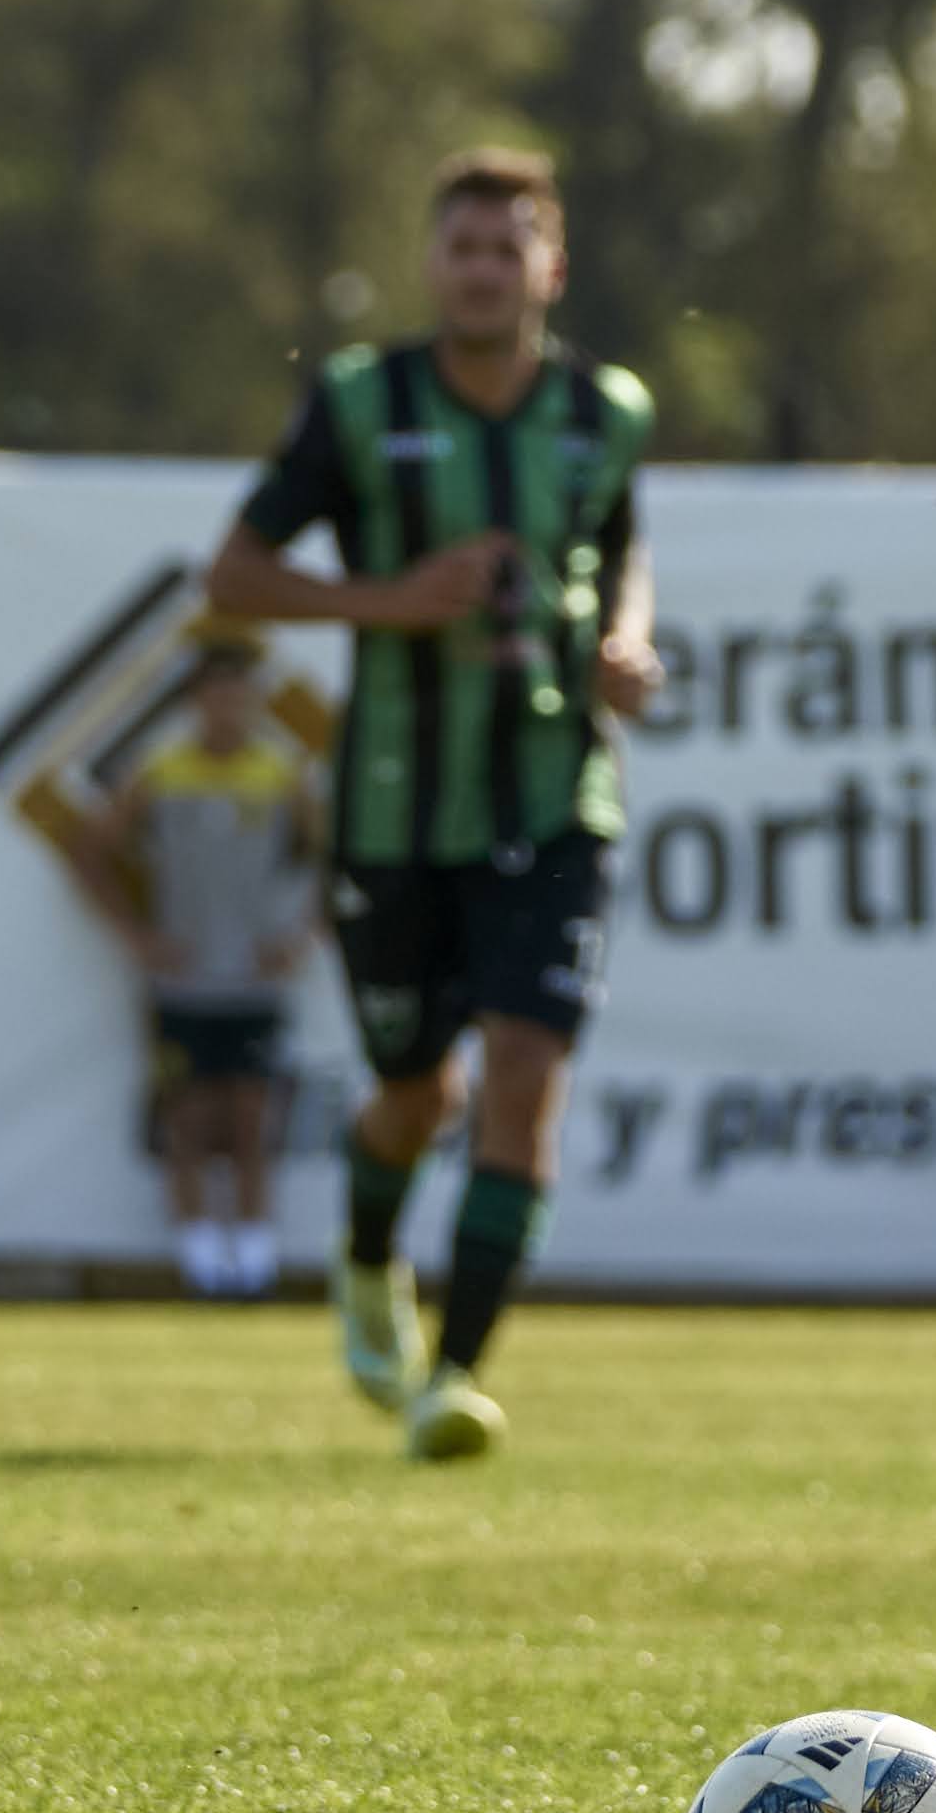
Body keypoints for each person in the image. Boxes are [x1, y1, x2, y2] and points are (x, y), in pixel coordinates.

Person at [206, 148, 659, 1462]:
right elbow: (232, 574)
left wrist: (625, 640)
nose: (481, 269)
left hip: (556, 794)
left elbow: (618, 548)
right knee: (416, 1093)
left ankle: (448, 1377)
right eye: (459, 246)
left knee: (522, 1075)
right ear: (431, 264)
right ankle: (365, 1266)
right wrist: (383, 602)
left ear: (549, 265)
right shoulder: (361, 403)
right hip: (396, 811)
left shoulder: (602, 411)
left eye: (505, 247)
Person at [74, 625, 322, 1301]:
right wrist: (135, 935)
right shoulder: (161, 772)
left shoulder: (281, 775)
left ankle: (254, 1258)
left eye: (242, 695)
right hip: (181, 980)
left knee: (250, 1119)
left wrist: (303, 938)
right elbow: (90, 852)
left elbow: (338, 862)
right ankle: (201, 1262)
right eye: (217, 695)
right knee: (186, 1120)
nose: (229, 709)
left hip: (252, 980)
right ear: (196, 700)